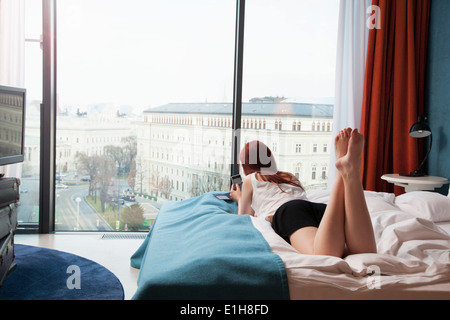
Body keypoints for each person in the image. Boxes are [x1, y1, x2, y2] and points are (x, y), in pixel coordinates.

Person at [229, 128, 377, 258]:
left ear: (246, 166)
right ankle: (350, 173)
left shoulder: (250, 179)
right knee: (365, 251)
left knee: (323, 255)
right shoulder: (289, 176)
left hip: (290, 212)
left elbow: (244, 217)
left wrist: (240, 197)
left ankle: (342, 174)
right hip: (318, 210)